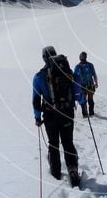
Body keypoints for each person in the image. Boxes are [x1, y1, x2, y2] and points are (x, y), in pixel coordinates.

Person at [32, 45, 85, 187]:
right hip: (67, 112)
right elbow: (78, 91)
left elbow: (36, 99)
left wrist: (37, 117)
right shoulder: (67, 72)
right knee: (68, 142)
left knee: (53, 144)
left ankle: (55, 173)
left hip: (50, 115)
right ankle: (73, 170)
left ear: (44, 58)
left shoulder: (39, 76)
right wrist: (82, 101)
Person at [74, 51, 98, 117]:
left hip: (90, 85)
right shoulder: (78, 67)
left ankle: (91, 112)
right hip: (82, 86)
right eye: (81, 56)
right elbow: (75, 78)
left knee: (90, 100)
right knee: (83, 100)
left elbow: (94, 74)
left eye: (83, 56)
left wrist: (96, 82)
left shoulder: (90, 65)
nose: (82, 57)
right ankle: (85, 114)